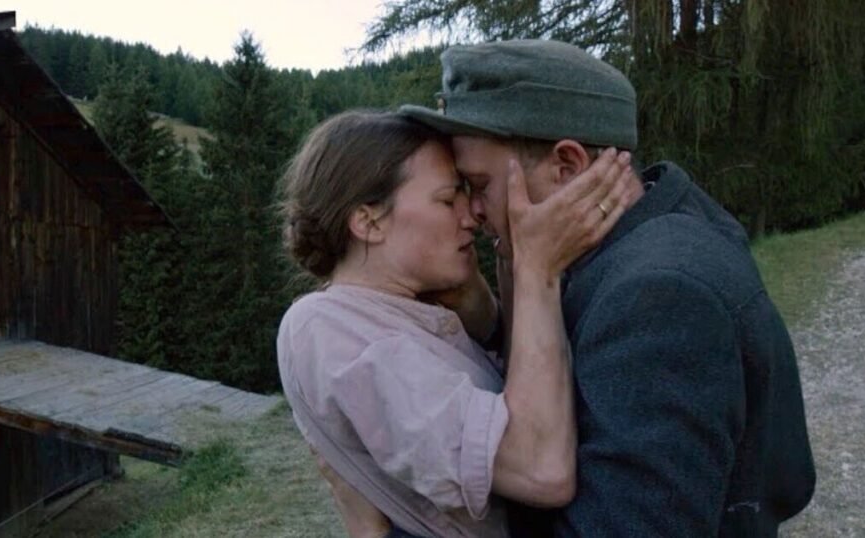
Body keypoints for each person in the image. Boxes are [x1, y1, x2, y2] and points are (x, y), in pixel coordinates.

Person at [328, 40, 817, 537]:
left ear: (567, 166)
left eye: (480, 185)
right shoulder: (648, 236)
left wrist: (379, 531)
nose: (472, 211)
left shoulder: (657, 299)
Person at [276, 110, 633, 537]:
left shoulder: (405, 309)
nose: (469, 216)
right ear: (369, 222)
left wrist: (494, 296)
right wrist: (537, 271)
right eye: (447, 200)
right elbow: (541, 470)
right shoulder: (328, 329)